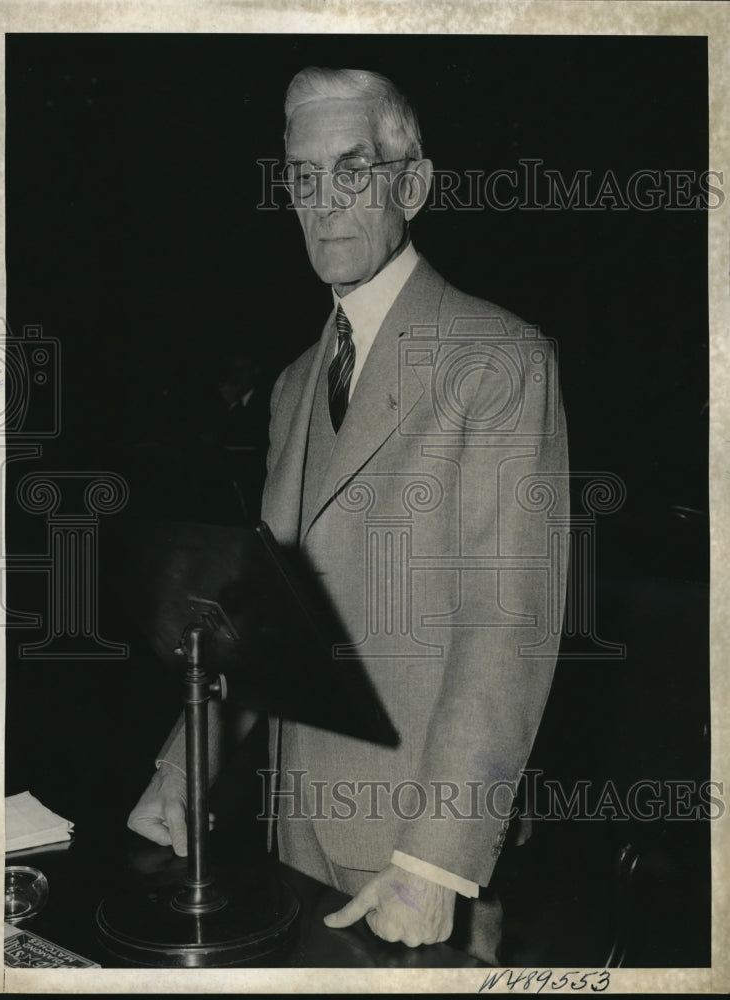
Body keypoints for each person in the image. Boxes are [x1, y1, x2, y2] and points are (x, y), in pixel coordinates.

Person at [128, 66, 569, 963]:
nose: (324, 203)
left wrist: (436, 861)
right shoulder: (293, 387)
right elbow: (261, 611)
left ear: (412, 184)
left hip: (416, 847)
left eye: (353, 170)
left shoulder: (497, 358)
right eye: (301, 175)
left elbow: (506, 626)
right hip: (296, 832)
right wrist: (181, 768)